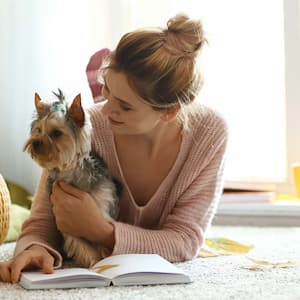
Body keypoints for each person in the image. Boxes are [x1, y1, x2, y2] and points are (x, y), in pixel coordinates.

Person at [0, 14, 228, 283]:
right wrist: (35, 248)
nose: (105, 110)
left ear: (169, 112)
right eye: (106, 90)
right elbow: (42, 220)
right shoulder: (88, 126)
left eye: (125, 106)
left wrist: (101, 230)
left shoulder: (208, 134)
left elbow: (184, 240)